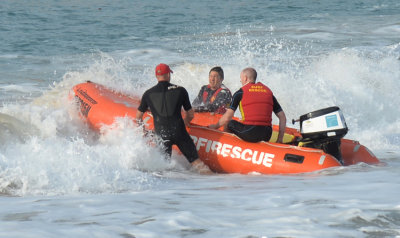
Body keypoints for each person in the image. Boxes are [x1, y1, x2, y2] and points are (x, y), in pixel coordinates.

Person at [136, 63, 212, 174]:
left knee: (163, 169)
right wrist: (185, 123)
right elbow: (190, 114)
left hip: (161, 134)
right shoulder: (180, 90)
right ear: (168, 75)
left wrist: (143, 131)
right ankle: (212, 186)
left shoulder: (148, 94)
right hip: (179, 132)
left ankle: (168, 190)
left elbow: (138, 117)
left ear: (156, 76)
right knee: (197, 163)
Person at [208, 67, 287, 143]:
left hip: (250, 132)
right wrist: (279, 139)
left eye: (241, 78)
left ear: (245, 78)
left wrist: (215, 126)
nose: (240, 80)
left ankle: (229, 146)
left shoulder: (240, 92)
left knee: (229, 123)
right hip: (267, 134)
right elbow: (282, 117)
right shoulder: (268, 92)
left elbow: (227, 117)